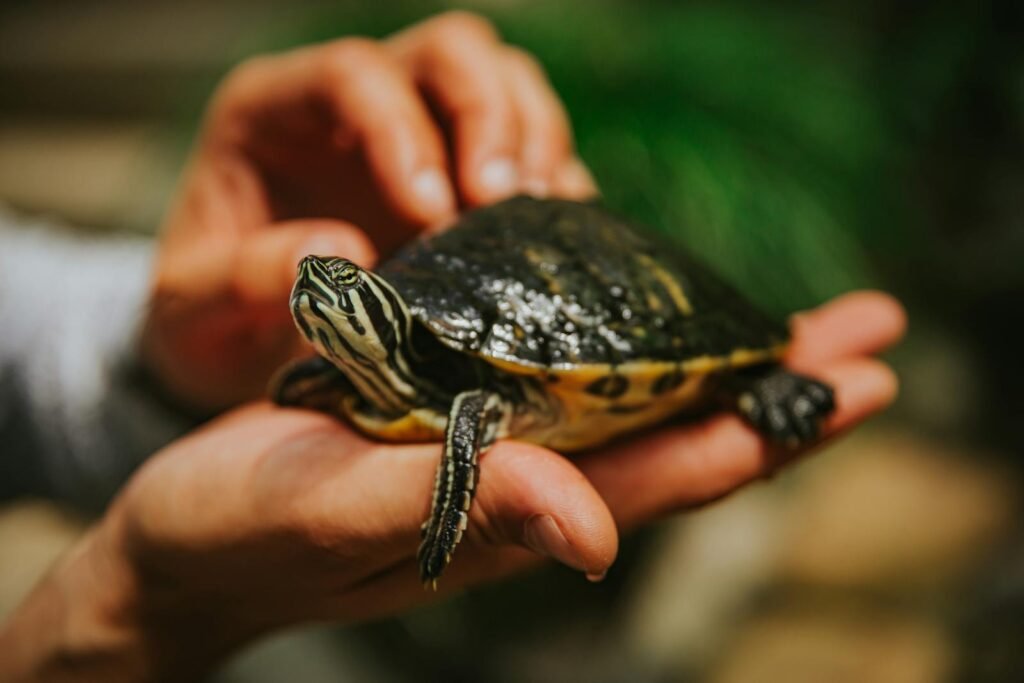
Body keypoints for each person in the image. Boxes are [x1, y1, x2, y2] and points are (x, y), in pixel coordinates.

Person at [0, 12, 905, 682]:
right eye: (321, 296)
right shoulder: (360, 381)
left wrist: (148, 373)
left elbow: (473, 400)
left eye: (343, 291)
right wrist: (126, 605)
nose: (319, 295)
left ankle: (756, 376)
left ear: (381, 311)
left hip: (626, 326)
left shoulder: (456, 390)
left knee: (703, 387)